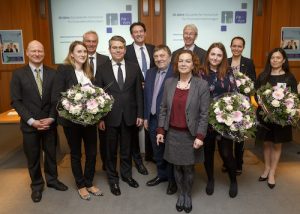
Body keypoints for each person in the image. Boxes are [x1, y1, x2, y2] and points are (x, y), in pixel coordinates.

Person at [10, 40, 68, 203]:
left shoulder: (53, 73)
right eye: (34, 51)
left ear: (44, 53)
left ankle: (52, 180)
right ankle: (36, 185)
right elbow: (16, 101)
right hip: (30, 126)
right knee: (33, 157)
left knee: (51, 154)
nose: (37, 54)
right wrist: (31, 121)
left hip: (49, 123)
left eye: (40, 51)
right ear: (27, 52)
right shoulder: (18, 74)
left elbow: (55, 98)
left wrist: (51, 118)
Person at [157, 50, 210, 212]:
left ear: (193, 65)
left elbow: (204, 113)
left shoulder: (201, 85)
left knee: (188, 167)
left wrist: (200, 136)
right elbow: (163, 108)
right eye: (181, 61)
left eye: (188, 61)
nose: (184, 64)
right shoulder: (169, 83)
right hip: (173, 133)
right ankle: (181, 194)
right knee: (177, 167)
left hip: (190, 135)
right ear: (176, 64)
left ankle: (187, 195)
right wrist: (160, 130)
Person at [52, 41, 101, 200]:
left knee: (92, 153)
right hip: (72, 122)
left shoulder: (88, 70)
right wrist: (74, 109)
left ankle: (89, 182)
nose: (82, 54)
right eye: (79, 51)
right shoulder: (64, 69)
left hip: (89, 122)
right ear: (71, 54)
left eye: (85, 52)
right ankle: (80, 185)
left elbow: (94, 94)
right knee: (76, 154)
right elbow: (57, 96)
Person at [95, 36, 143, 196]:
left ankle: (127, 175)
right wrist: (100, 118)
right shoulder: (102, 69)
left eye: (121, 47)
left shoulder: (134, 67)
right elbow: (97, 96)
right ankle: (113, 180)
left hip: (129, 116)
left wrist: (140, 114)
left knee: (126, 150)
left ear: (125, 49)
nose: (118, 50)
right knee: (110, 152)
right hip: (109, 118)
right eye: (114, 47)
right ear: (109, 49)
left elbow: (139, 93)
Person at [200, 42, 239, 198]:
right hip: (205, 120)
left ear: (223, 57)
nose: (215, 57)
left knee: (226, 153)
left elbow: (235, 93)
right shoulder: (200, 72)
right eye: (213, 54)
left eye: (219, 55)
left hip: (225, 120)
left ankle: (233, 180)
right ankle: (210, 179)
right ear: (208, 55)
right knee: (207, 152)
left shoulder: (228, 71)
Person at [256, 48, 297, 189]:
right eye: (273, 58)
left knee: (277, 143)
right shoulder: (263, 76)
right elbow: (256, 95)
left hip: (281, 117)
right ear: (270, 60)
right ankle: (266, 168)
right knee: (266, 143)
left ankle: (272, 172)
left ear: (283, 60)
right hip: (265, 116)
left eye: (278, 58)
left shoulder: (289, 77)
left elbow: (294, 98)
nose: (275, 60)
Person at [144, 45, 177, 195]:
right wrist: (145, 116)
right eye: (156, 56)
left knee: (169, 152)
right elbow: (147, 97)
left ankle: (172, 180)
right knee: (157, 151)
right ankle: (161, 175)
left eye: (162, 56)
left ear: (170, 57)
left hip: (169, 120)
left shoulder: (176, 73)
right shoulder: (150, 73)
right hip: (152, 119)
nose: (159, 59)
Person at [125, 22, 156, 174]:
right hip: (133, 93)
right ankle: (136, 159)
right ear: (132, 35)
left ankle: (152, 155)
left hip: (151, 92)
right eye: (135, 32)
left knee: (151, 120)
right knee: (134, 126)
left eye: (141, 31)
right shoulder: (126, 50)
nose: (138, 34)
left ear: (145, 32)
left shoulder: (152, 48)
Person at [226, 36, 256, 175]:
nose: (236, 48)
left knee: (239, 136)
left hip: (243, 104)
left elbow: (253, 82)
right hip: (227, 102)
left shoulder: (248, 62)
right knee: (227, 135)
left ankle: (238, 163)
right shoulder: (225, 62)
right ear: (230, 46)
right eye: (234, 45)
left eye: (239, 46)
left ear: (243, 47)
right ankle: (228, 162)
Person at [83, 30, 110, 171]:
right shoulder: (78, 58)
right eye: (88, 41)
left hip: (101, 105)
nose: (91, 44)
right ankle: (90, 167)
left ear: (97, 43)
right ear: (83, 42)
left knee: (104, 138)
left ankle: (106, 163)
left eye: (94, 41)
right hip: (83, 106)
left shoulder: (106, 59)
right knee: (89, 140)